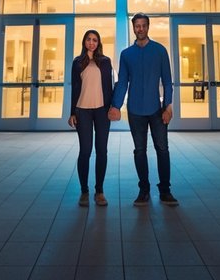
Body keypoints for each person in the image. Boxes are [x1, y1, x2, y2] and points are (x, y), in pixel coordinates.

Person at [108, 13, 177, 205]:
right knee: (139, 151)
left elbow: (168, 82)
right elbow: (122, 83)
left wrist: (168, 107)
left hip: (157, 109)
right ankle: (143, 191)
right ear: (133, 28)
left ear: (148, 27)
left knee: (162, 149)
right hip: (135, 111)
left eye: (143, 25)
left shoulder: (160, 51)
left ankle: (165, 191)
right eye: (137, 26)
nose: (140, 29)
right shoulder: (126, 54)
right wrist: (115, 105)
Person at [68, 29, 113, 206]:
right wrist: (72, 112)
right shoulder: (77, 62)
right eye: (89, 39)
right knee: (85, 151)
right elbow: (74, 89)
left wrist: (113, 108)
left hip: (102, 111)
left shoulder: (105, 62)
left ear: (98, 42)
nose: (92, 42)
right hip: (82, 111)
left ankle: (99, 191)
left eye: (95, 40)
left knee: (102, 151)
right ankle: (84, 191)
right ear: (84, 41)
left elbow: (109, 87)